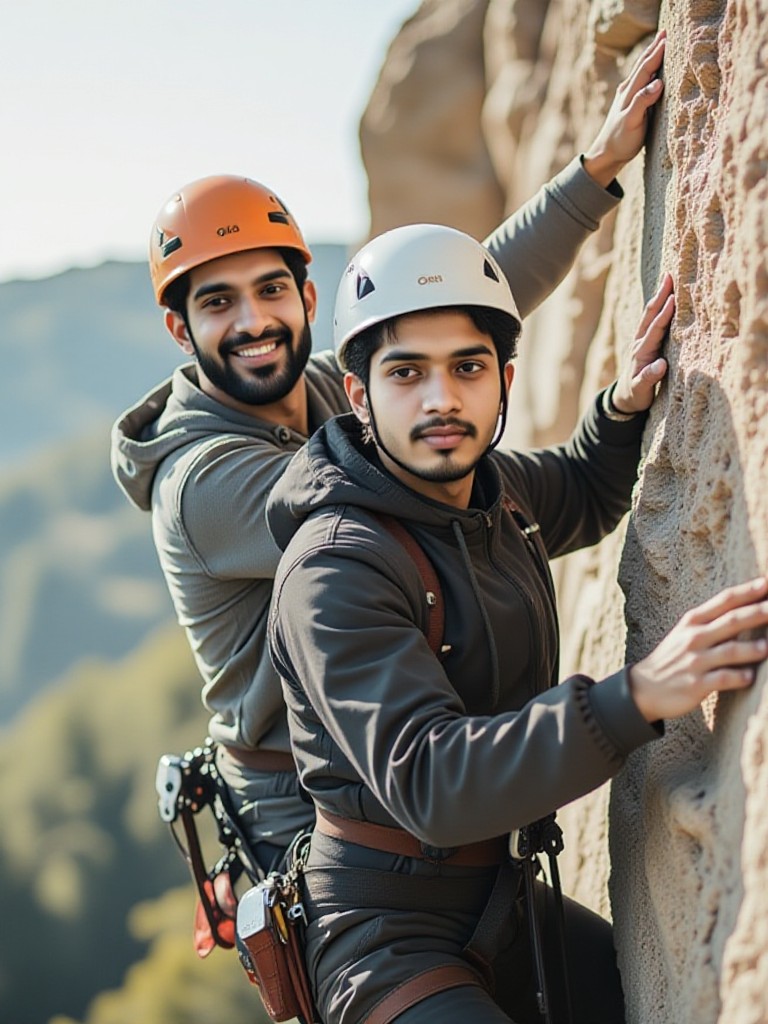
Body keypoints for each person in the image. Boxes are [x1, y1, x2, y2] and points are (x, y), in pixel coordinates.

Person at [111, 33, 668, 873]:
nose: (253, 321)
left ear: (306, 296)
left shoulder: (338, 394)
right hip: (309, 812)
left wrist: (590, 177)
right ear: (179, 331)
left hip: (389, 744)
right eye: (218, 302)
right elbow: (410, 458)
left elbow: (450, 305)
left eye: (270, 290)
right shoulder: (202, 484)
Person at [265, 222, 768, 1024]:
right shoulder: (336, 568)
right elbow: (430, 782)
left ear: (503, 379)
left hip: (497, 904)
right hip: (383, 937)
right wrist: (637, 695)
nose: (442, 398)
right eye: (407, 373)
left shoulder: (488, 493)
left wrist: (624, 406)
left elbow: (581, 489)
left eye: (467, 368)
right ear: (359, 397)